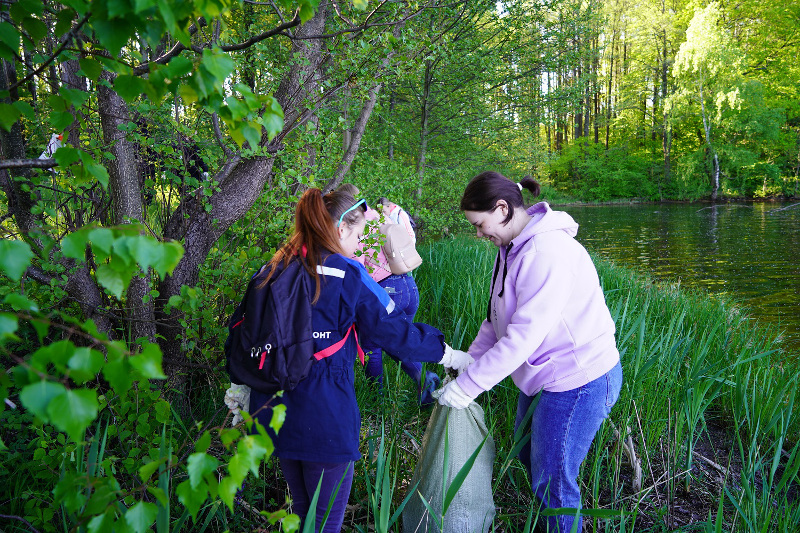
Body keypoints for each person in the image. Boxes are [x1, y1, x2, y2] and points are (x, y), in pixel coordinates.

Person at [225, 188, 472, 533]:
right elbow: (392, 330)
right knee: (326, 523)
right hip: (325, 415)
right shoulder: (347, 273)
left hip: (273, 412)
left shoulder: (274, 266)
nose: (358, 244)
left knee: (302, 512)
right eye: (357, 235)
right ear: (340, 229)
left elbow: (241, 334)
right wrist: (448, 353)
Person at [435, 171, 623, 533]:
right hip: (543, 375)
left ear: (502, 208)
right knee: (526, 453)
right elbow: (497, 317)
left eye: (480, 223)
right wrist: (469, 360)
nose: (478, 233)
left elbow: (523, 338)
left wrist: (467, 387)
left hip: (577, 379)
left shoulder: (545, 252)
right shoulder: (510, 246)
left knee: (553, 485)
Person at [339, 186, 440, 406]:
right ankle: (426, 381)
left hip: (385, 289)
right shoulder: (378, 217)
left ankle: (378, 401)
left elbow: (357, 268)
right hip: (408, 286)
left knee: (370, 346)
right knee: (398, 340)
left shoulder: (354, 225)